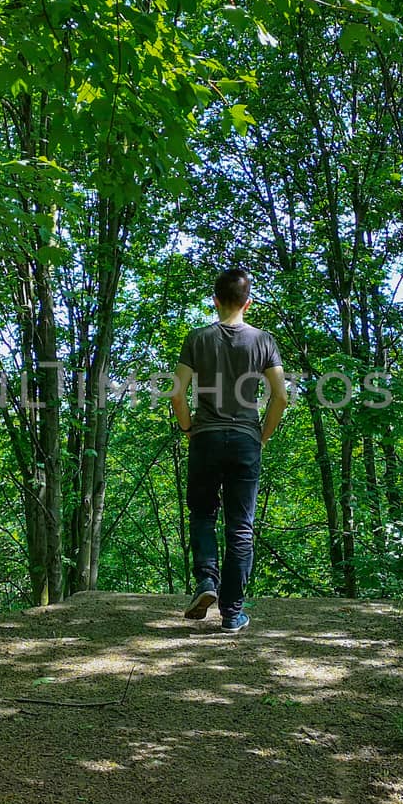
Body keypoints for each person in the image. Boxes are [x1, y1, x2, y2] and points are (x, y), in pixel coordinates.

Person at [169, 268, 289, 632]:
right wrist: (262, 436)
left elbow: (177, 394)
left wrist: (189, 428)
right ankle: (232, 614)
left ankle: (207, 581)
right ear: (247, 303)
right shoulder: (264, 341)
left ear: (216, 301)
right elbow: (280, 397)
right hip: (244, 440)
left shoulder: (197, 339)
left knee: (203, 514)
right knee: (241, 528)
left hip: (205, 437)